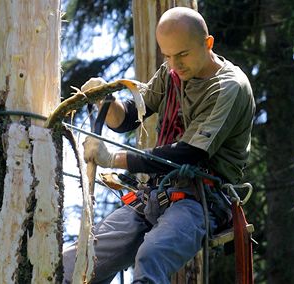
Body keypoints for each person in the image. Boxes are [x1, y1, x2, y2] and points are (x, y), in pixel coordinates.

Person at [63, 7, 255, 284]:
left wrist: (113, 158)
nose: (175, 64)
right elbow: (130, 117)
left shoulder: (228, 87)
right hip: (154, 196)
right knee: (77, 263)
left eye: (183, 54)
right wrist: (107, 101)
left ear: (208, 43)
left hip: (199, 201)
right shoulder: (172, 71)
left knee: (150, 258)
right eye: (168, 55)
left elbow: (189, 153)